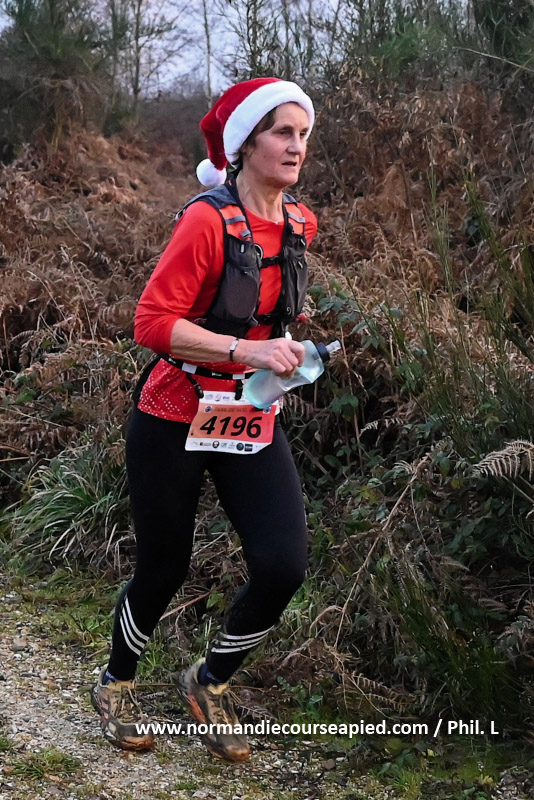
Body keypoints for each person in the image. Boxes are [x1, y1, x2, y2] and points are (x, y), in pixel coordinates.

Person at [91, 77, 317, 762]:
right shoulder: (205, 221)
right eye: (282, 132)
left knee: (283, 564)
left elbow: (270, 311)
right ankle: (116, 683)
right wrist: (247, 350)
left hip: (247, 413)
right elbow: (151, 322)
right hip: (173, 411)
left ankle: (209, 681)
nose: (296, 146)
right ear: (246, 143)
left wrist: (285, 354)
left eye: (304, 134)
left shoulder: (301, 224)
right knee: (165, 565)